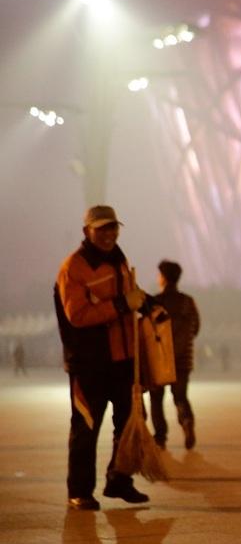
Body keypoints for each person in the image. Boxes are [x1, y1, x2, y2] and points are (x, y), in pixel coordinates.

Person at [53, 205, 151, 510]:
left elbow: (130, 295)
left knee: (130, 422)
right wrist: (123, 304)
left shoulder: (118, 260)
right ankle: (79, 491)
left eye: (113, 228)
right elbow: (78, 315)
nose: (109, 234)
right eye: (102, 229)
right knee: (86, 427)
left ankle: (119, 479)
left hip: (122, 360)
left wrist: (148, 304)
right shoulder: (75, 267)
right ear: (87, 231)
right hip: (90, 363)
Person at [148, 260, 201, 450]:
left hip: (160, 359)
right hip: (183, 360)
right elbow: (195, 328)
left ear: (163, 278)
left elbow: (148, 330)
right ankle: (186, 421)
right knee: (180, 396)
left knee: (156, 398)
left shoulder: (155, 302)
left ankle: (160, 436)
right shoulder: (188, 301)